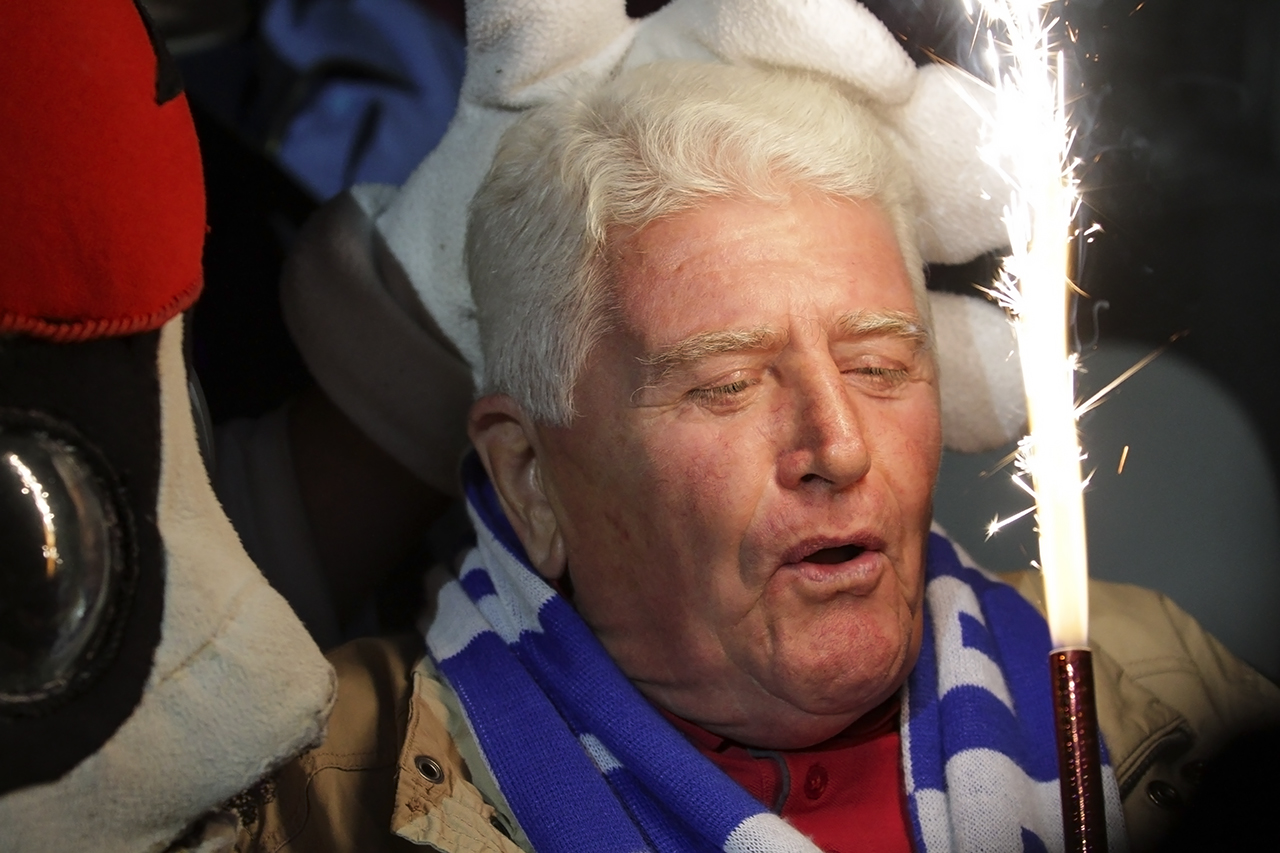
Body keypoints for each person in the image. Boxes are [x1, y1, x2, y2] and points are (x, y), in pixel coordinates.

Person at [231, 61, 1280, 853]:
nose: (839, 445)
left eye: (879, 366)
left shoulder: (1155, 677)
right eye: (726, 384)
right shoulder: (317, 786)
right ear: (530, 480)